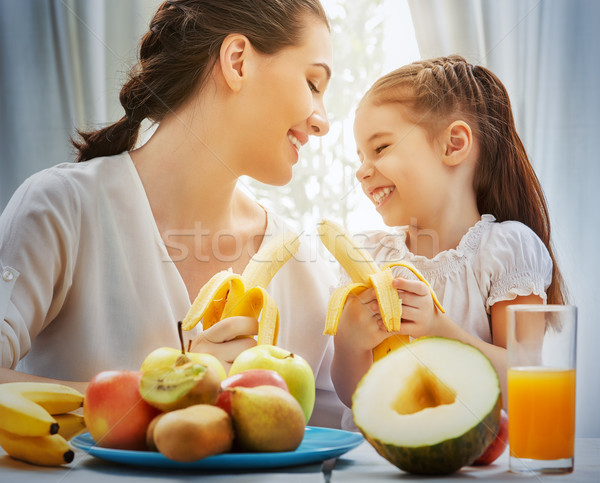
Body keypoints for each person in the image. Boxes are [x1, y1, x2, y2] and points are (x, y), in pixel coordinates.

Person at [0, 0, 348, 428]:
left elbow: (341, 437)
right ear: (237, 61)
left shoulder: (305, 269)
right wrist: (163, 387)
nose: (323, 123)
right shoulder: (61, 209)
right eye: (313, 83)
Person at [331, 55, 567, 410]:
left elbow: (524, 382)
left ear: (453, 144)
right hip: (382, 459)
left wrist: (438, 327)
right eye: (361, 157)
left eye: (380, 148)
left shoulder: (505, 250)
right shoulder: (371, 257)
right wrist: (348, 346)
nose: (362, 172)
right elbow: (354, 398)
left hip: (471, 460)